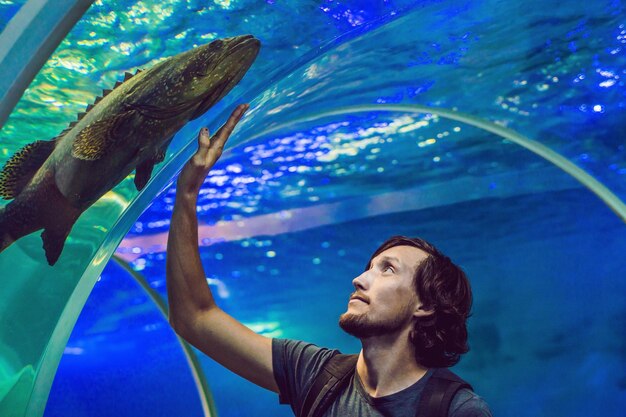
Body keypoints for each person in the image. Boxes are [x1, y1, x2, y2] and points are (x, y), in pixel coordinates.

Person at [167, 104, 493, 416]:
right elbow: (194, 317)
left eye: (388, 270)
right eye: (369, 268)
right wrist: (187, 192)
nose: (360, 279)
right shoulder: (316, 374)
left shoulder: (454, 409)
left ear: (424, 305)